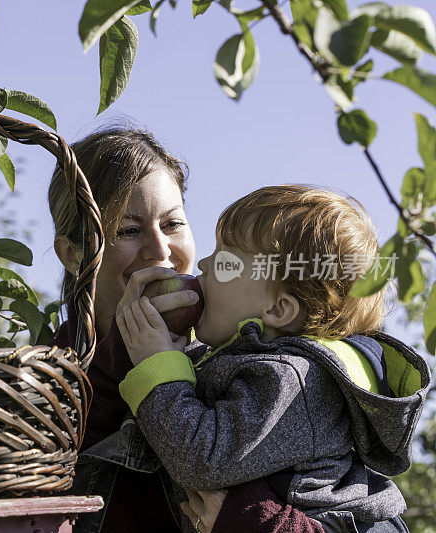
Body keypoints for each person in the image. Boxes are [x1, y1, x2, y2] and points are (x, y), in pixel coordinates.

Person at [49, 129, 329, 532]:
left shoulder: (250, 364)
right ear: (74, 254)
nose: (160, 251)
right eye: (128, 230)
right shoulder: (40, 386)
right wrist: (120, 360)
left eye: (173, 223)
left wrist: (251, 515)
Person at [116, 185, 431, 532]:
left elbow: (201, 459)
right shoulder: (265, 365)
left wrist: (158, 366)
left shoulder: (292, 380)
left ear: (278, 308)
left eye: (225, 261)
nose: (204, 263)